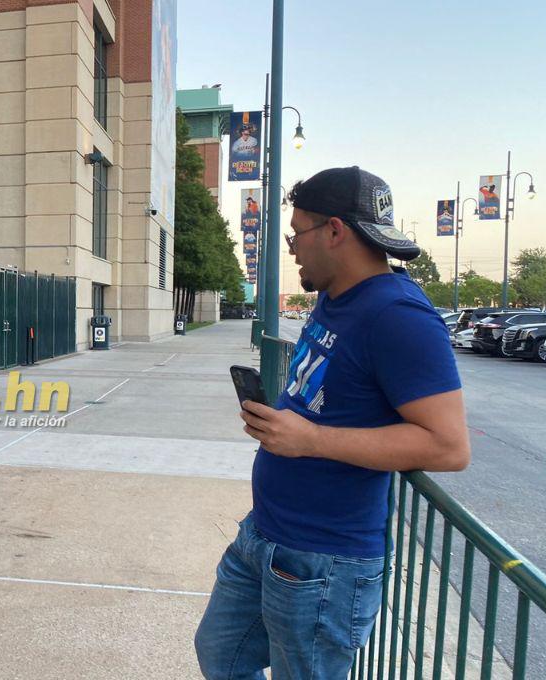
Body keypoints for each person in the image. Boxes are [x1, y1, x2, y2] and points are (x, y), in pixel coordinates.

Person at [194, 167, 471, 679]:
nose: (293, 247)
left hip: (323, 561)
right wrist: (282, 421)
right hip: (264, 534)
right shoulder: (333, 298)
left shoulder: (398, 315)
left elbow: (448, 446)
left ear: (336, 231)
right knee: (220, 654)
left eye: (296, 233)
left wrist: (311, 439)